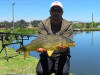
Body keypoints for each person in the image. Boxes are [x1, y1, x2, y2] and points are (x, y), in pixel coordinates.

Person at [36, 1, 73, 75]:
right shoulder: (43, 23)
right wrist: (40, 47)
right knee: (40, 71)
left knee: (64, 72)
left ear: (62, 12)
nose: (56, 13)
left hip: (62, 54)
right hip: (46, 54)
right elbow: (42, 40)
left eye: (58, 10)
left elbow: (67, 41)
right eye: (54, 10)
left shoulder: (68, 25)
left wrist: (64, 48)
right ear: (50, 12)